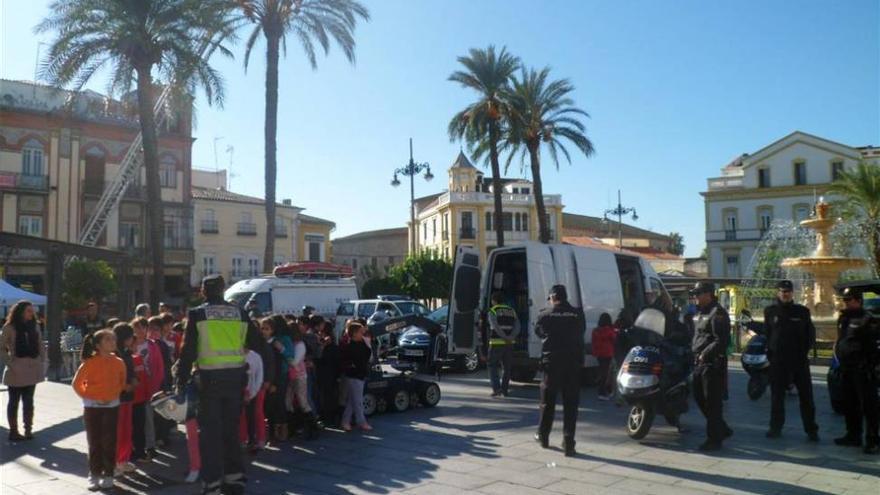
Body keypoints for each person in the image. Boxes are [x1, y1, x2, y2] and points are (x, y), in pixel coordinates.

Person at [175, 275, 251, 495]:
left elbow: (188, 351)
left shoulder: (198, 313)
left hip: (210, 382)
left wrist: (179, 380)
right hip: (236, 380)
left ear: (202, 291)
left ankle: (212, 484)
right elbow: (256, 345)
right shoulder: (240, 313)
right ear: (223, 289)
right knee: (231, 431)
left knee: (210, 435)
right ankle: (235, 479)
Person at [763, 280, 819, 441]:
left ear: (792, 293)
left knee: (806, 397)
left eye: (788, 291)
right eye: (782, 291)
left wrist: (803, 353)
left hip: (799, 361)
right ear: (777, 293)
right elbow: (767, 334)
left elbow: (810, 335)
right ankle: (775, 428)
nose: (785, 294)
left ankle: (811, 430)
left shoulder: (802, 312)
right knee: (777, 397)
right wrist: (771, 354)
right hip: (778, 361)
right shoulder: (770, 311)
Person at [72, 329, 126, 491]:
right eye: (108, 340)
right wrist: (91, 396)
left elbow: (121, 383)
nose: (112, 342)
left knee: (110, 441)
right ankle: (94, 474)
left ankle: (108, 474)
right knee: (94, 441)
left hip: (112, 406)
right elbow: (76, 384)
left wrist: (113, 394)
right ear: (97, 345)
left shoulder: (119, 362)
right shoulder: (89, 363)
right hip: (92, 407)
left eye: (113, 339)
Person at [534, 285, 585, 457]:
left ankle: (543, 436)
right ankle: (569, 442)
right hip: (572, 363)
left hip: (552, 363)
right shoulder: (578, 314)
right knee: (571, 404)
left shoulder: (544, 315)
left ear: (553, 297)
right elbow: (581, 333)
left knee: (547, 402)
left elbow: (539, 333)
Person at [834, 288, 879, 454]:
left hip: (863, 368)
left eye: (849, 300)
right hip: (846, 368)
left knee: (869, 406)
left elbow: (873, 345)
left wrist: (872, 365)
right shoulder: (843, 317)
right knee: (849, 403)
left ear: (858, 300)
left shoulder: (867, 319)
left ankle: (873, 440)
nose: (846, 302)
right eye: (844, 300)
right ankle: (853, 435)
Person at [690, 282, 733, 451]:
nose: (695, 297)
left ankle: (714, 439)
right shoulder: (700, 312)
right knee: (700, 398)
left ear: (708, 294)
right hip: (699, 362)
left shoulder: (718, 313)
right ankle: (722, 428)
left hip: (712, 364)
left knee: (712, 402)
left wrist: (704, 354)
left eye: (698, 294)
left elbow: (721, 341)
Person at [1, 300, 45, 441]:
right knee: (14, 401)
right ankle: (13, 431)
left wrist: (43, 361)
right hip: (16, 368)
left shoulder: (35, 326)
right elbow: (1, 347)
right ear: (20, 312)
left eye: (32, 311)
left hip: (32, 367)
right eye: (28, 311)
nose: (32, 313)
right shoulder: (10, 327)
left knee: (29, 401)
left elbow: (40, 344)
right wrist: (10, 362)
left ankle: (28, 429)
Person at [112, 323, 138, 477]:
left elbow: (130, 371)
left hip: (128, 397)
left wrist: (134, 380)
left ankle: (123, 460)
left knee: (127, 431)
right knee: (117, 432)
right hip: (118, 398)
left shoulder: (127, 353)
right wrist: (125, 386)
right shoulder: (115, 354)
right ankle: (114, 462)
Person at [339, 320, 372, 432]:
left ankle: (345, 422)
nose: (362, 334)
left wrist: (367, 343)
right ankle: (361, 422)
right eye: (359, 332)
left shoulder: (362, 343)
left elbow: (368, 356)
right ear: (354, 333)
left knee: (352, 401)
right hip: (354, 375)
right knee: (357, 400)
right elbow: (347, 361)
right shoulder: (349, 346)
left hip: (360, 374)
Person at [487, 292, 520, 397]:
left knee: (492, 365)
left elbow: (495, 327)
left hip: (496, 343)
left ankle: (496, 389)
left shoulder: (493, 311)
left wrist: (504, 337)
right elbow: (517, 326)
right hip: (509, 344)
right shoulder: (511, 310)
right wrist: (510, 337)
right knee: (507, 367)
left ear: (494, 301)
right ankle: (505, 390)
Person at [315, 321, 341, 426]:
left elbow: (325, 359)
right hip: (327, 373)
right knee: (327, 396)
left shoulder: (330, 345)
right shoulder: (326, 342)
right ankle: (328, 417)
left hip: (328, 374)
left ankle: (329, 418)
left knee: (328, 397)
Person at [240, 340, 264, 452]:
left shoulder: (255, 357)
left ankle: (254, 440)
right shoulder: (234, 355)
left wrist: (253, 393)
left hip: (252, 391)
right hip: (238, 391)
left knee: (252, 416)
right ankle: (241, 439)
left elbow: (260, 376)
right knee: (239, 416)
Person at [591, 313, 617, 400]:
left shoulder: (595, 330)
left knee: (603, 372)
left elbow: (593, 342)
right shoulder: (609, 331)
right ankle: (603, 392)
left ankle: (604, 391)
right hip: (608, 353)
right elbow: (614, 339)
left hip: (599, 353)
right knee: (606, 373)